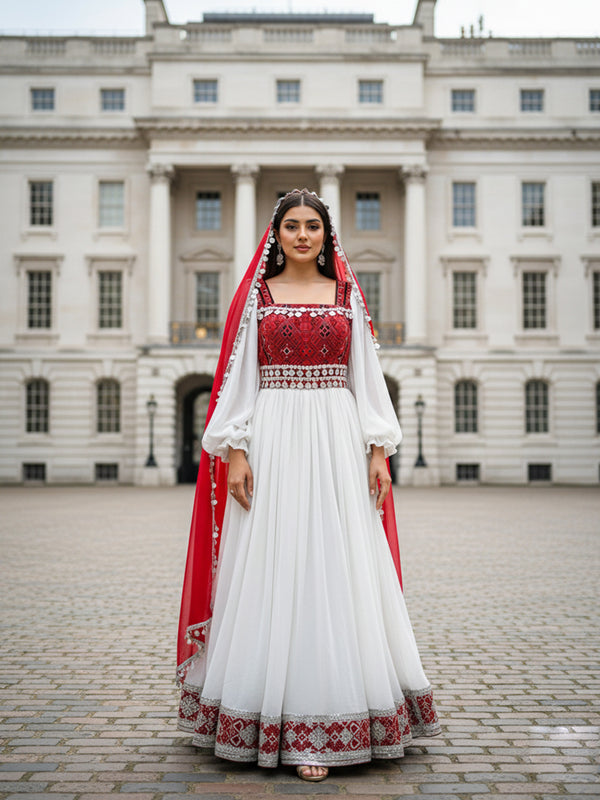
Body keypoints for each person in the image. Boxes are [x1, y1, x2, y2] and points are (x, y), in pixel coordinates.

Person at [176, 189, 440, 782]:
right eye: (292, 226)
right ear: (277, 234)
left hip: (336, 437)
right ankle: (270, 715)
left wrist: (377, 448)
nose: (302, 235)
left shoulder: (347, 295)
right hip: (273, 435)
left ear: (326, 235)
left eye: (312, 226)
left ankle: (330, 718)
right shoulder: (258, 297)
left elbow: (365, 375)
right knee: (270, 564)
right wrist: (236, 451)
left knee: (335, 564)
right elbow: (238, 380)